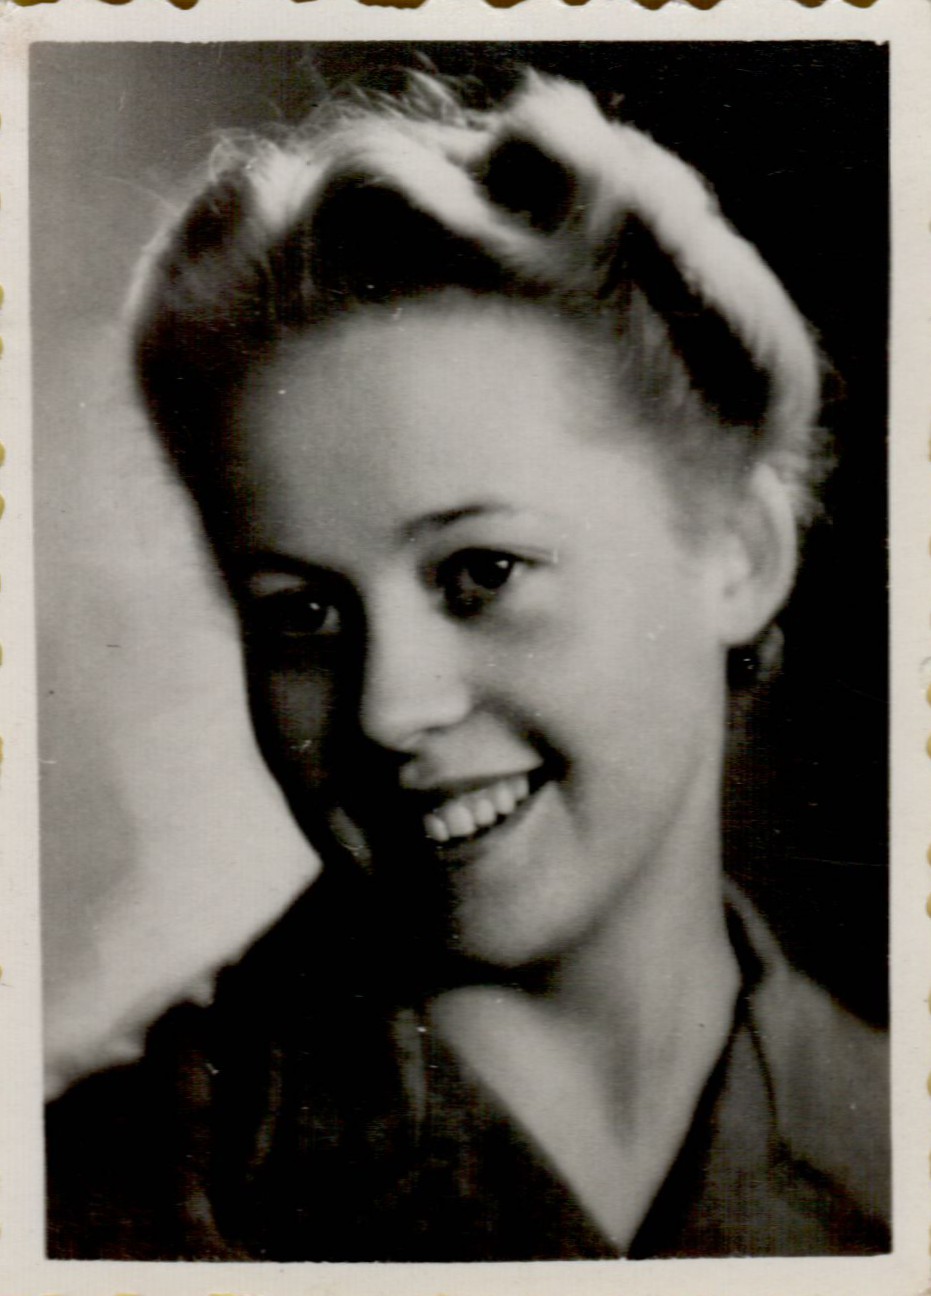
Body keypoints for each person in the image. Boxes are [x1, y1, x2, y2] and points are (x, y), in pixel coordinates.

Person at [46, 68, 889, 1262]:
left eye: (479, 573)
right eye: (302, 615)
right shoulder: (94, 1205)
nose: (390, 708)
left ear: (737, 554)